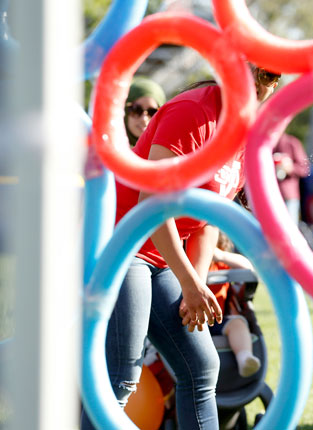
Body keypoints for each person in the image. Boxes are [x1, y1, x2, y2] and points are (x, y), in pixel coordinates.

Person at [80, 64, 280, 430]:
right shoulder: (193, 112)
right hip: (122, 247)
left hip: (159, 255)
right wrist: (188, 283)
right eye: (247, 70)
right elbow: (152, 205)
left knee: (201, 367)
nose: (255, 84)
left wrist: (196, 286)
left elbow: (206, 219)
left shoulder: (245, 129)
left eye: (267, 76)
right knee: (122, 373)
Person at [206, 232, 261, 378]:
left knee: (238, 323)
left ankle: (245, 358)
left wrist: (220, 255)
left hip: (219, 320)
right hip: (190, 321)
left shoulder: (220, 264)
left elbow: (248, 269)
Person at [272, 133, 310, 224]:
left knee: (289, 228)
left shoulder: (291, 143)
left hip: (288, 195)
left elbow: (304, 168)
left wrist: (290, 167)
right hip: (270, 193)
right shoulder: (264, 144)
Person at [124, 76, 166, 146]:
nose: (144, 119)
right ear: (125, 110)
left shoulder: (167, 153)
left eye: (153, 112)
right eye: (136, 110)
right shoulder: (106, 147)